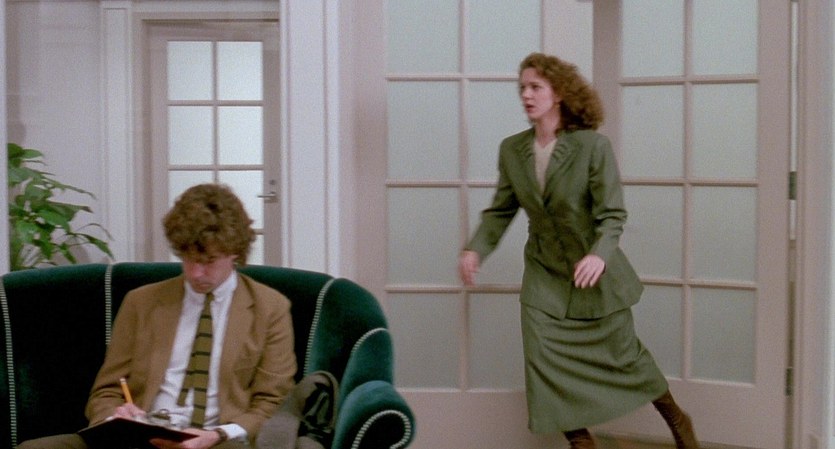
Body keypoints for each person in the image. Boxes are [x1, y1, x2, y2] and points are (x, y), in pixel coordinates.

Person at [458, 52, 698, 449]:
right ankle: (581, 443)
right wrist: (475, 249)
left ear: (559, 94)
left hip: (592, 272)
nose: (526, 95)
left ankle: (675, 416)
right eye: (522, 88)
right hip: (544, 274)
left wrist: (599, 254)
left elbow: (613, 214)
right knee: (542, 360)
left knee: (625, 357)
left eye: (536, 87)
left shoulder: (592, 147)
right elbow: (501, 210)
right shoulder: (512, 150)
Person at [20, 183, 297, 449]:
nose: (195, 273)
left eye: (208, 261)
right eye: (188, 259)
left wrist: (217, 435)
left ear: (235, 252)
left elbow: (273, 403)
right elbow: (106, 391)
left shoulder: (269, 308)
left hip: (217, 440)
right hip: (141, 437)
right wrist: (115, 416)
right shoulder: (141, 302)